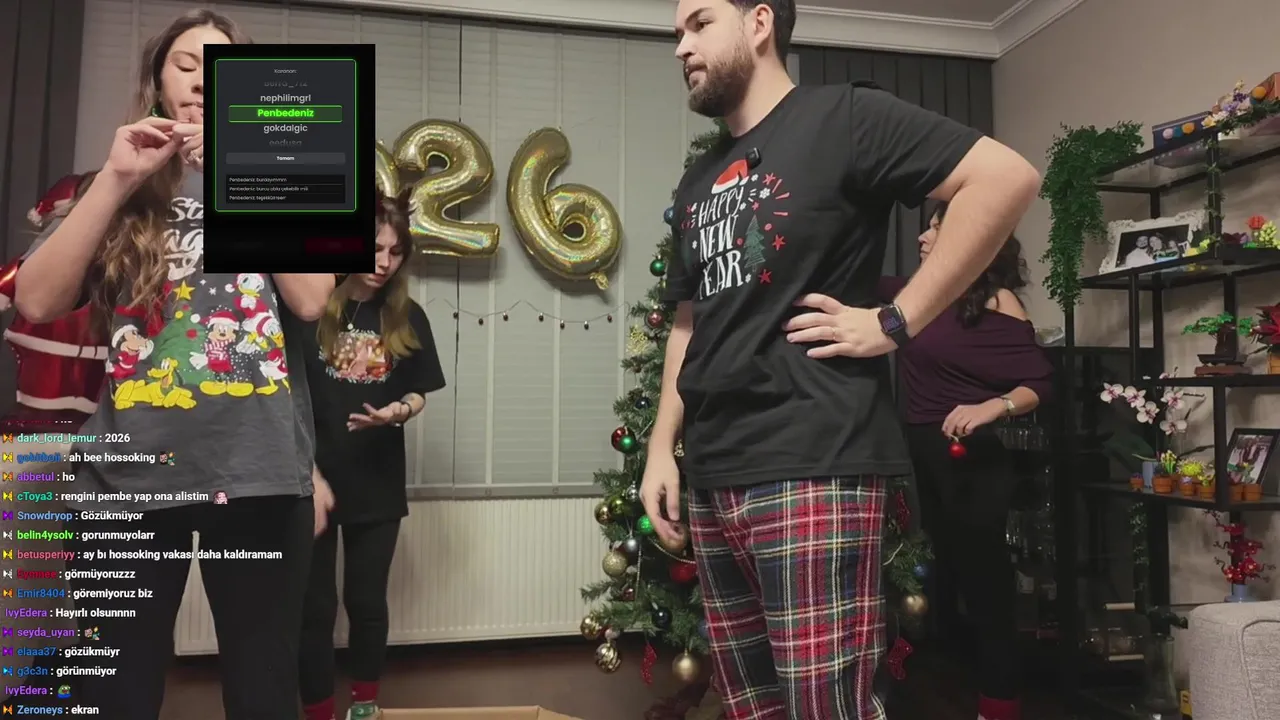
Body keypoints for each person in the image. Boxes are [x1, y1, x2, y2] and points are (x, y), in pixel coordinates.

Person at [639, 1, 1041, 719]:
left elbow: (1006, 178)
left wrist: (895, 321)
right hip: (714, 472)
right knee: (752, 707)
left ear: (759, 23)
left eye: (699, 23)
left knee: (826, 707)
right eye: (677, 33)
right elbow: (688, 321)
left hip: (814, 464)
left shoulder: (845, 118)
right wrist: (660, 449)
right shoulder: (698, 181)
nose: (680, 47)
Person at [13, 9, 335, 719]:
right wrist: (117, 178)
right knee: (115, 694)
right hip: (125, 479)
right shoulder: (114, 183)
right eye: (187, 65)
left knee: (263, 692)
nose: (203, 80)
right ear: (159, 81)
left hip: (256, 476)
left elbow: (311, 299)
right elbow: (35, 300)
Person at [878, 202, 1053, 720]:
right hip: (920, 455)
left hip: (971, 460)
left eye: (936, 227)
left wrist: (990, 407)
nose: (922, 237)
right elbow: (854, 283)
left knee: (985, 585)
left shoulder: (998, 302)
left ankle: (999, 704)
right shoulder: (915, 296)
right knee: (940, 577)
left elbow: (1039, 383)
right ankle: (943, 686)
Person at [296, 189, 446, 720]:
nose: (384, 262)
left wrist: (397, 413)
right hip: (311, 479)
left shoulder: (408, 315)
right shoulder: (309, 305)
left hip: (377, 479)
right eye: (374, 248)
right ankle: (318, 711)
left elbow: (419, 391)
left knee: (366, 602)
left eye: (395, 252)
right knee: (314, 608)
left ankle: (364, 706)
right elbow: (281, 391)